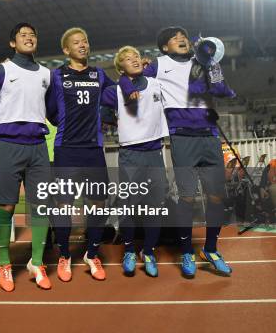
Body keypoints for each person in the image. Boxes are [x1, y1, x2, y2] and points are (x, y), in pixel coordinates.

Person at [119, 26, 236, 277]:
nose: (181, 39)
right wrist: (131, 84)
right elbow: (130, 75)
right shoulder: (159, 65)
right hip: (182, 137)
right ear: (164, 47)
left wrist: (212, 62)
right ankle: (186, 251)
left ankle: (211, 249)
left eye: (183, 36)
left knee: (216, 197)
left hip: (210, 135)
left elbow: (220, 90)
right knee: (187, 197)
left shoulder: (203, 63)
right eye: (174, 38)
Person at [47, 27, 115, 281]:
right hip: (66, 149)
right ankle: (65, 254)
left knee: (98, 203)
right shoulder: (57, 75)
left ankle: (92, 252)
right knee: (63, 204)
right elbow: (49, 109)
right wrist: (65, 121)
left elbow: (115, 95)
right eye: (76, 42)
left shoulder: (99, 74)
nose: (82, 45)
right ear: (66, 50)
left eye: (85, 41)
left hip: (93, 149)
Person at [0, 22, 54, 291]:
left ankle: (37, 262)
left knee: (40, 206)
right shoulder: (2, 71)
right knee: (6, 206)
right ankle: (4, 263)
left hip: (38, 145)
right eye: (23, 35)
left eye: (33, 34)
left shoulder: (47, 74)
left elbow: (53, 110)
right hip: (9, 143)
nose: (29, 38)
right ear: (12, 42)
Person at [101, 45, 169, 277]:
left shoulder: (156, 83)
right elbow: (99, 107)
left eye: (137, 57)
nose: (135, 60)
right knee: (128, 205)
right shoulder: (114, 91)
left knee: (155, 206)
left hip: (155, 152)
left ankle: (148, 251)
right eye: (128, 59)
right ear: (120, 67)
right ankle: (129, 249)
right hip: (130, 153)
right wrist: (112, 118)